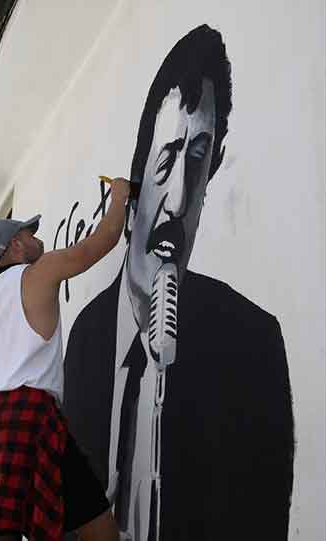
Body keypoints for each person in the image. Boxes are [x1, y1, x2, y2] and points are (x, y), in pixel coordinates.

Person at [63, 25, 293, 541]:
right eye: (168, 159)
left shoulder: (253, 341)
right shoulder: (85, 337)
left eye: (198, 160)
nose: (178, 200)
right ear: (137, 174)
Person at [0, 176, 131, 541]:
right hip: (33, 417)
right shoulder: (41, 271)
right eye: (30, 233)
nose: (36, 237)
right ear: (16, 245)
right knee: (97, 525)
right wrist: (120, 195)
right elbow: (101, 242)